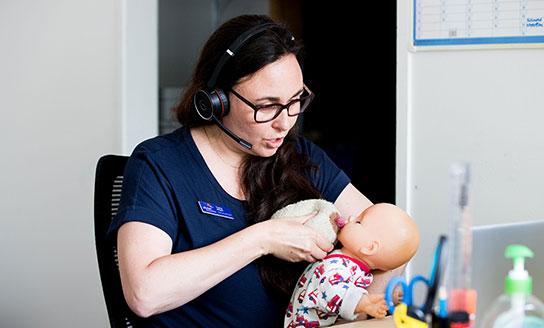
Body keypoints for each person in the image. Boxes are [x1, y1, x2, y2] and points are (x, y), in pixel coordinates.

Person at [108, 14, 402, 327]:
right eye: (267, 106)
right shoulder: (159, 164)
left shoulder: (303, 156)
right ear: (217, 100)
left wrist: (349, 313)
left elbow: (392, 243)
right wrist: (262, 239)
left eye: (295, 101)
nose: (285, 122)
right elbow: (143, 294)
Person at [285, 203, 420, 327]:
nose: (350, 218)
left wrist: (386, 298)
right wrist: (361, 302)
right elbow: (333, 288)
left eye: (358, 221)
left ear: (370, 248)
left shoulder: (350, 266)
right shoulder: (334, 265)